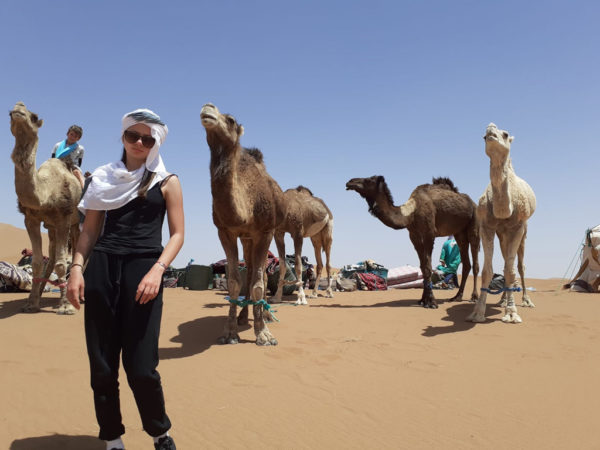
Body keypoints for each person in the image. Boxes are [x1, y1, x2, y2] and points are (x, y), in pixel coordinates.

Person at [67, 109, 184, 450]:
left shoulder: (167, 181)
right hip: (102, 268)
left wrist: (158, 269)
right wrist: (76, 269)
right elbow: (89, 232)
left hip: (145, 270)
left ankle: (160, 432)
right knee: (102, 364)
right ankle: (112, 438)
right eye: (133, 135)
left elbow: (177, 234)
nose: (139, 143)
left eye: (148, 139)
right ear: (122, 137)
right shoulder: (103, 177)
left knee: (142, 366)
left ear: (156, 143)